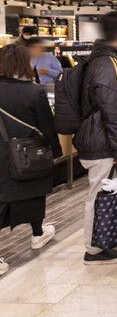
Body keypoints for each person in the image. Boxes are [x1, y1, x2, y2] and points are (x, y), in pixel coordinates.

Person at [74, 11, 117, 265]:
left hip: (98, 137)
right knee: (99, 195)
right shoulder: (109, 64)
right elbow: (114, 110)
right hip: (103, 141)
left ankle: (106, 240)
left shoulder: (104, 60)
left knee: (104, 192)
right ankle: (94, 249)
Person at [0, 44, 61, 276]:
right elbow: (47, 126)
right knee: (33, 193)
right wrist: (55, 152)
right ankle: (37, 234)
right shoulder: (34, 91)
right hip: (27, 155)